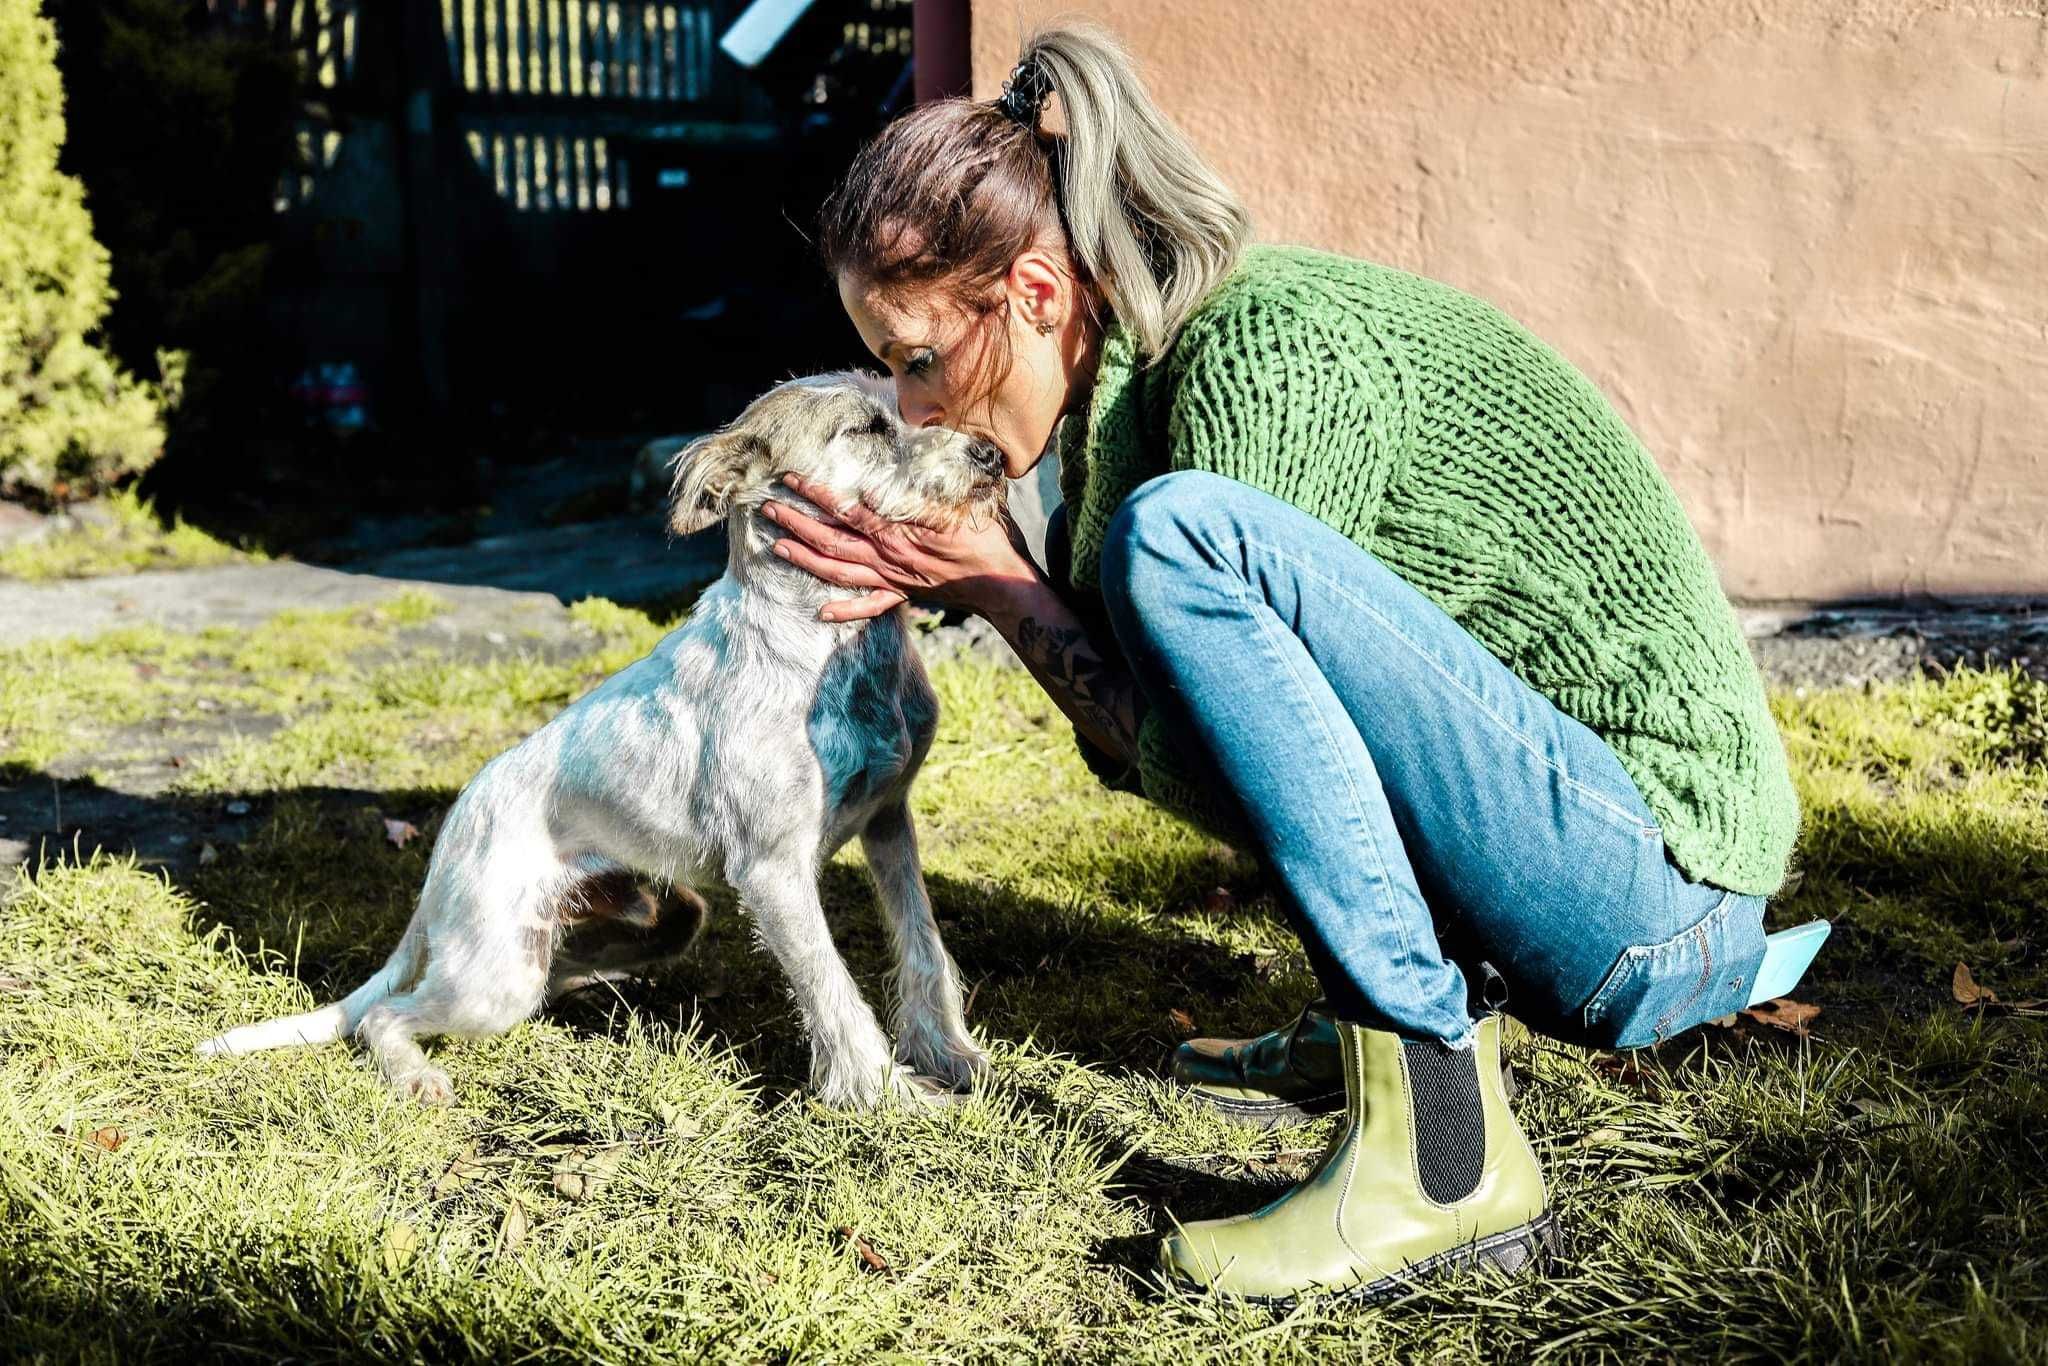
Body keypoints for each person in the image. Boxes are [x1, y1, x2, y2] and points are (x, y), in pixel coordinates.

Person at [760, 20, 1813, 1303]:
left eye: (918, 361)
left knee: (1185, 537)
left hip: (1657, 890)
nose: (915, 408)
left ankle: (1440, 1158)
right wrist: (1008, 584)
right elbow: (1242, 750)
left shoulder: (1261, 351)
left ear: (1036, 293)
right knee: (1177, 539)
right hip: (1570, 851)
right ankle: (1377, 1018)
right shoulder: (1122, 411)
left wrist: (996, 581)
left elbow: (1235, 766)